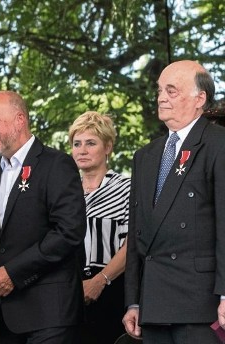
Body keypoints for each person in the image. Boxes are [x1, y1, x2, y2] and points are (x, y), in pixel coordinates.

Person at [0, 91, 86, 343]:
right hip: (3, 317)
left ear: (20, 120)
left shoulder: (56, 164)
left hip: (50, 313)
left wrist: (13, 272)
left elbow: (69, 232)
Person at [123, 60, 224, 343]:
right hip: (153, 305)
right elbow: (137, 232)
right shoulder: (145, 155)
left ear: (199, 99)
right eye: (159, 90)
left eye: (172, 90)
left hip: (202, 305)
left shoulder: (218, 144)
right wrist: (133, 300)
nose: (161, 97)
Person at [68, 111, 131, 343]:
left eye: (90, 143)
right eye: (77, 144)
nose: (82, 150)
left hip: (111, 287)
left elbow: (133, 243)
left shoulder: (127, 187)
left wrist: (100, 280)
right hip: (68, 290)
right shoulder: (65, 190)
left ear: (108, 147)